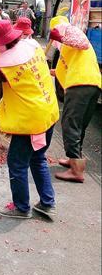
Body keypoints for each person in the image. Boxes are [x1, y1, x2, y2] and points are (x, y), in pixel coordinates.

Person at [0, 20, 59, 219]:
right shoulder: (32, 45)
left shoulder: (3, 66)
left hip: (29, 121)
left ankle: (21, 207)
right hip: (48, 112)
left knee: (16, 162)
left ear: (2, 42)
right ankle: (47, 203)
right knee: (37, 157)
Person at [49, 16, 101, 183]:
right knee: (79, 124)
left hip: (79, 83)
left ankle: (76, 171)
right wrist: (53, 72)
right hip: (92, 83)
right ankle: (74, 159)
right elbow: (68, 65)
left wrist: (61, 35)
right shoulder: (68, 46)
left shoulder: (71, 31)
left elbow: (82, 43)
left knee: (70, 123)